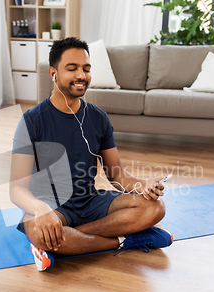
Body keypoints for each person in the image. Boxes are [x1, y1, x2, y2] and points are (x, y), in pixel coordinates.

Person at [10, 37, 173, 271]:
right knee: (36, 228)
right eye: (72, 68)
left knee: (155, 208)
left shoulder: (98, 117)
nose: (81, 75)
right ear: (53, 73)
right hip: (51, 206)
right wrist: (39, 209)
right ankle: (125, 239)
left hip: (89, 200)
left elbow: (117, 175)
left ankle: (60, 241)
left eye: (86, 69)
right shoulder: (31, 121)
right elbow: (16, 189)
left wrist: (143, 185)